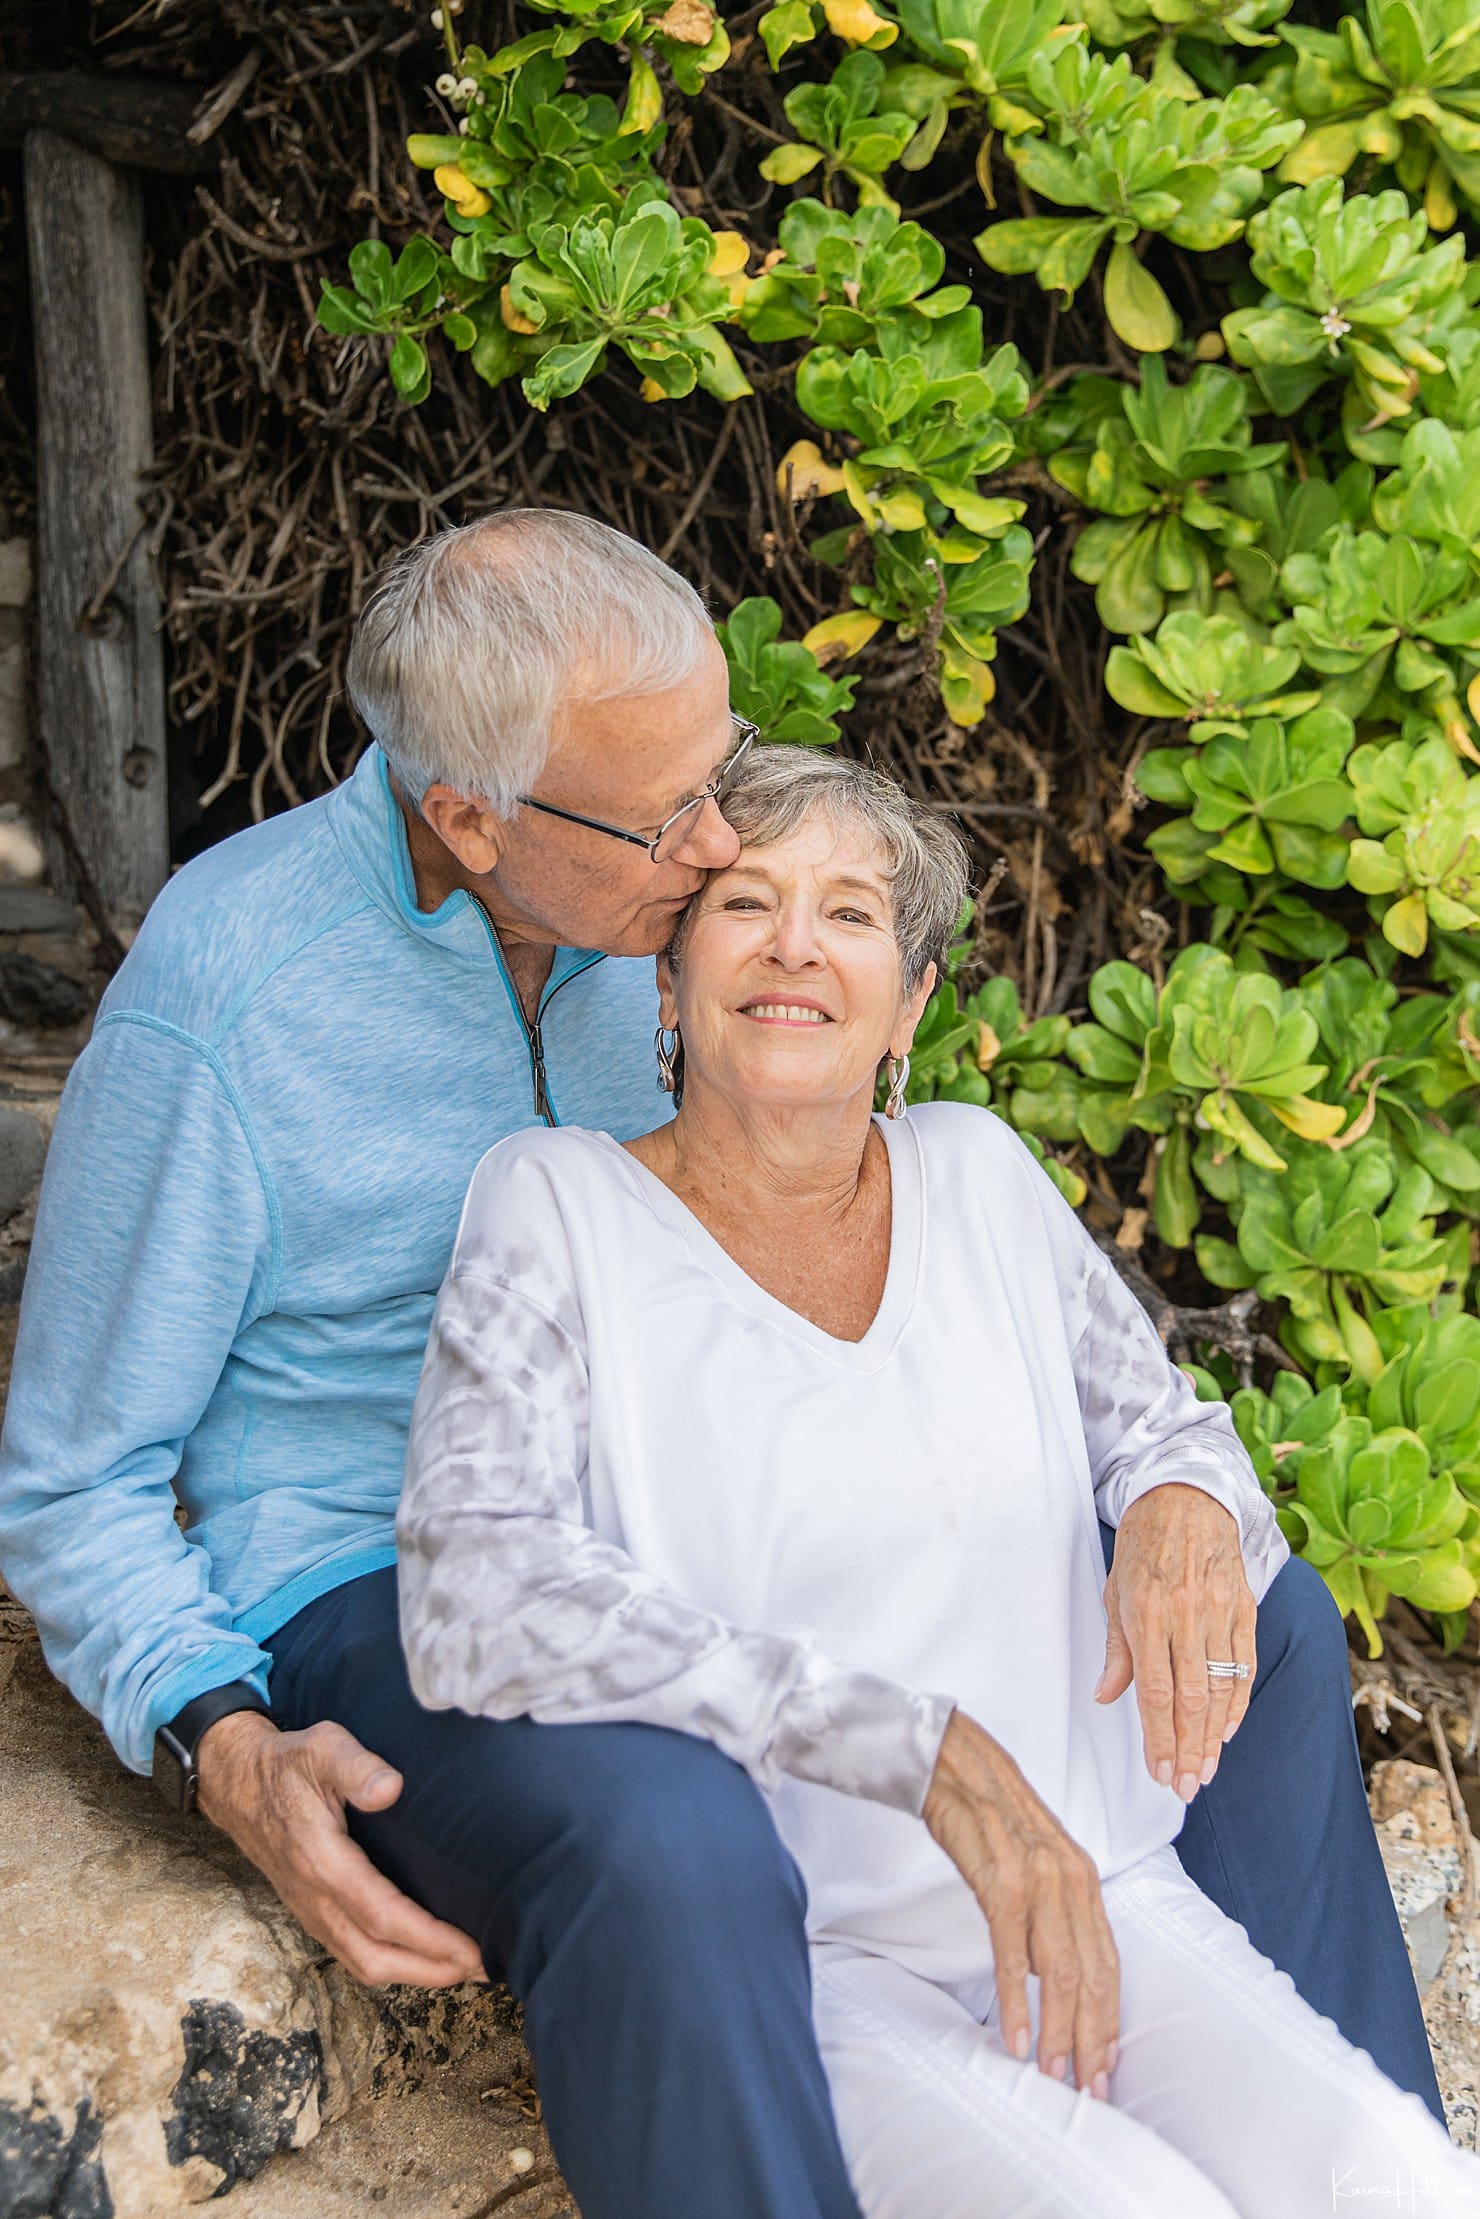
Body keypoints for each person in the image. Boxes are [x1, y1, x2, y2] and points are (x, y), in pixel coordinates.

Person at [0, 511, 1448, 2219]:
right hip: (387, 1575)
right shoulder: (228, 994)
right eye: (670, 818)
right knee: (669, 1829)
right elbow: (73, 1475)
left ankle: (1341, 2151)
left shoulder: (673, 922)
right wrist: (218, 1738)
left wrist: (1179, 1484)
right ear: (470, 816)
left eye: (722, 770)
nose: (717, 847)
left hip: (703, 1508)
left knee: (1251, 1613)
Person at [397, 742, 1480, 2216]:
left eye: (851, 915)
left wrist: (1179, 1503)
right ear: (666, 979)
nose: (794, 945)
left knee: (1402, 2186)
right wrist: (927, 1749)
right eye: (745, 903)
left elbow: (1172, 1428)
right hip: (827, 1966)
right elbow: (475, 1590)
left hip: (1102, 1903)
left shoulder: (974, 1172)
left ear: (909, 1004)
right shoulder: (557, 1206)